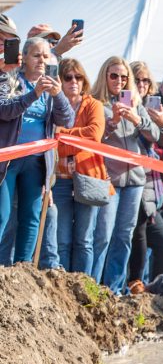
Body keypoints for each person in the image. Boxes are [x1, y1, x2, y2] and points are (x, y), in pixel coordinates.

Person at [0, 36, 74, 267]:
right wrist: (33, 94)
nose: (42, 60)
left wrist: (58, 94)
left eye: (45, 56)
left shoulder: (51, 86)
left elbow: (68, 120)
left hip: (36, 162)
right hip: (8, 159)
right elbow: (4, 111)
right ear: (24, 59)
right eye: (36, 55)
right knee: (2, 215)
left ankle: (22, 267)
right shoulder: (10, 79)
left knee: (31, 216)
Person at [91, 55, 160, 291]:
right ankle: (92, 286)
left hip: (135, 181)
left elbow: (156, 136)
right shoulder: (96, 103)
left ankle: (114, 289)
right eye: (114, 75)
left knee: (124, 237)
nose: (119, 80)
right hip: (109, 178)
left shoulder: (136, 103)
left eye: (124, 76)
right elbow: (93, 140)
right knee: (103, 236)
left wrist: (138, 119)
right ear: (104, 76)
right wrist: (112, 122)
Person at [54, 57, 112, 276]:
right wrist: (77, 143)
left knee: (84, 240)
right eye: (68, 77)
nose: (74, 81)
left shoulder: (94, 105)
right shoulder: (51, 104)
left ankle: (84, 288)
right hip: (58, 179)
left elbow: (95, 135)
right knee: (62, 240)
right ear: (59, 80)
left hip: (87, 178)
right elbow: (58, 143)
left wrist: (62, 136)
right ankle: (62, 291)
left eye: (78, 77)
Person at [127, 60, 163, 286]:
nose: (143, 84)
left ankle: (158, 289)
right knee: (137, 241)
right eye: (137, 79)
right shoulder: (123, 105)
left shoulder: (152, 108)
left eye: (147, 80)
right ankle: (132, 286)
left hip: (150, 187)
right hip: (128, 180)